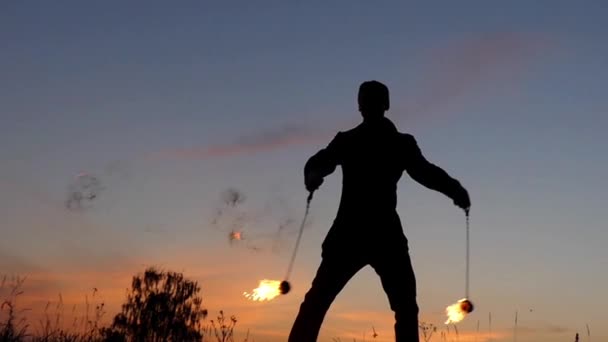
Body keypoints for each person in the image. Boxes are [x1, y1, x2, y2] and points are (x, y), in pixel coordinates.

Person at [288, 81, 471, 342]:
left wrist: (313, 175)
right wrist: (456, 191)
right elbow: (425, 173)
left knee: (317, 302)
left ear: (361, 106)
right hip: (380, 235)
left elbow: (318, 163)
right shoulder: (392, 143)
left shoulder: (353, 141)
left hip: (353, 234)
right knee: (403, 307)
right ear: (384, 105)